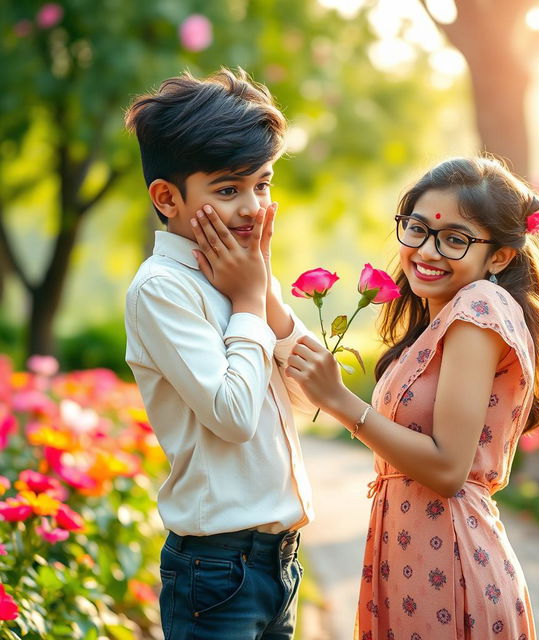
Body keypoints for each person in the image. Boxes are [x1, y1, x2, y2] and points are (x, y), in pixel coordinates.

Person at [286, 156, 539, 639]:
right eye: (416, 228)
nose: (426, 250)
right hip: (415, 556)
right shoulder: (441, 320)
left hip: (452, 562)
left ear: (499, 257)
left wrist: (339, 402)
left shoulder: (479, 309)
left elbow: (446, 468)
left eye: (454, 239)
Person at [124, 68, 315, 640]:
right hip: (214, 570)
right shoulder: (163, 288)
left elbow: (312, 399)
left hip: (278, 562)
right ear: (168, 198)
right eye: (229, 190)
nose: (254, 207)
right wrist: (251, 303)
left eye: (263, 183)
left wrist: (265, 298)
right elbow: (232, 416)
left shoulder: (246, 277)